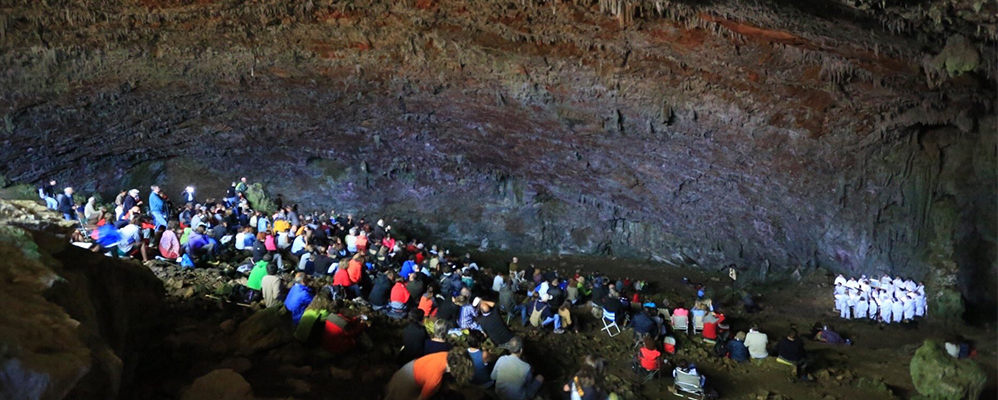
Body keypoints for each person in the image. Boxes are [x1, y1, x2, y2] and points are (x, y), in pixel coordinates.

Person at [384, 348, 473, 400]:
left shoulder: (446, 355)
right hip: (408, 382)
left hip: (410, 368)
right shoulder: (434, 380)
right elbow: (421, 398)